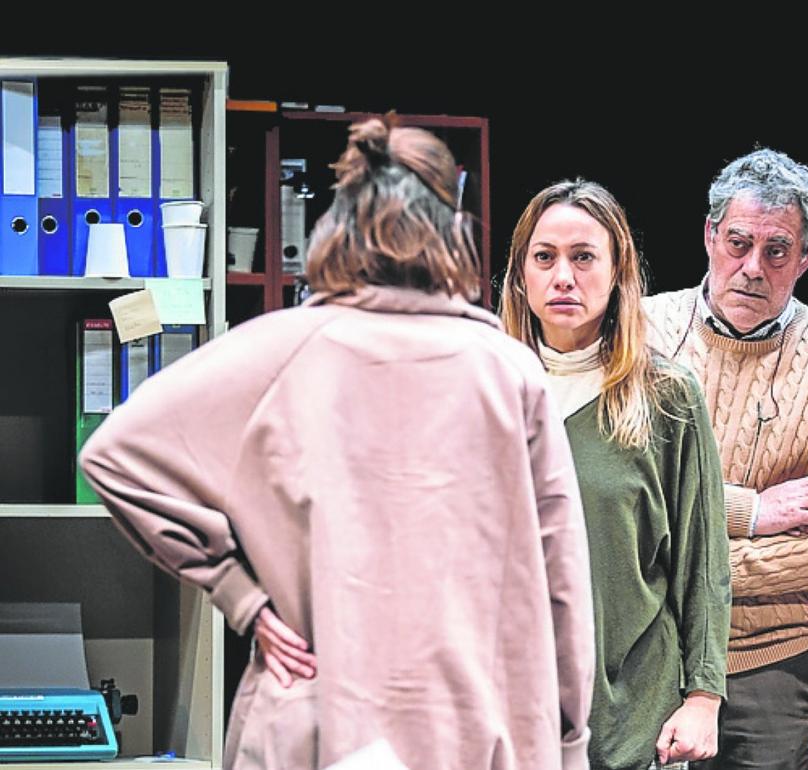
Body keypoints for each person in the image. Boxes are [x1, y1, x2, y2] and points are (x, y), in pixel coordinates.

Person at [79, 118, 596, 770]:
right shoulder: (510, 371)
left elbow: (114, 453)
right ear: (452, 230)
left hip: (316, 722)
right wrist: (568, 742)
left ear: (336, 227)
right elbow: (562, 584)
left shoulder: (281, 350)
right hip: (472, 727)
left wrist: (241, 598)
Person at [643, 149, 808, 770]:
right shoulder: (640, 334)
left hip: (772, 663)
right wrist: (752, 511)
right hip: (645, 648)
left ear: (807, 256)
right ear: (709, 235)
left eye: (777, 251)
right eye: (738, 243)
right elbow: (622, 495)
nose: (752, 267)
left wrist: (693, 570)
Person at [499, 179, 731, 770]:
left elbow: (702, 562)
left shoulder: (666, 395)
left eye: (583, 258)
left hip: (629, 719)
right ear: (521, 274)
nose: (563, 277)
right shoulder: (484, 391)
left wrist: (703, 697)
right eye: (545, 257)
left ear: (618, 271)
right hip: (506, 714)